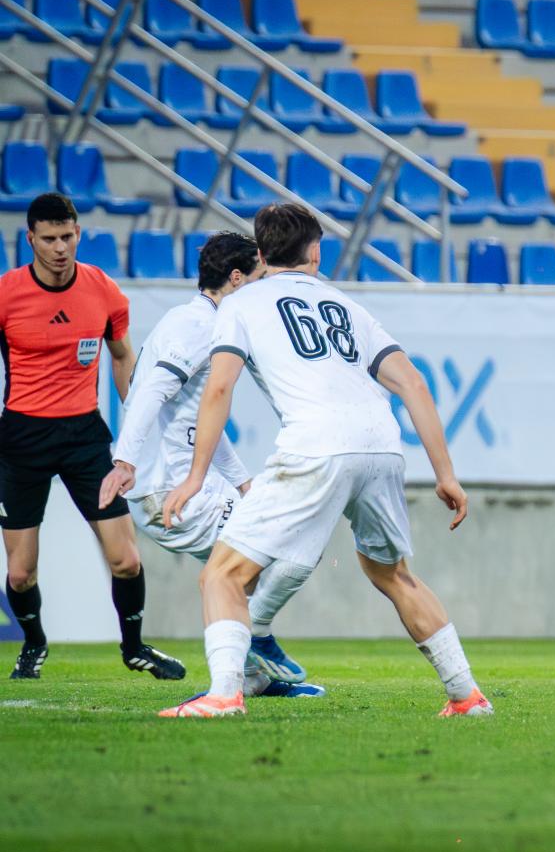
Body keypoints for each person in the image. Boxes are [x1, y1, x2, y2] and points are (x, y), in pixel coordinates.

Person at [158, 203, 490, 718]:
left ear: (261, 254)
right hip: (381, 444)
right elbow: (412, 384)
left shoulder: (240, 305)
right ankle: (466, 695)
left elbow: (219, 387)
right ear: (316, 252)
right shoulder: (346, 305)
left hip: (316, 443)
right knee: (393, 573)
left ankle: (224, 694)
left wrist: (195, 477)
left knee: (221, 575)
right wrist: (445, 475)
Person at [97, 231, 320, 698]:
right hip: (169, 488)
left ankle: (250, 676)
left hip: (184, 483)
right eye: (258, 279)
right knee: (278, 547)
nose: (262, 288)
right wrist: (125, 461)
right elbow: (149, 392)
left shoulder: (195, 320)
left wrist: (242, 485)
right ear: (236, 279)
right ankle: (255, 642)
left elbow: (202, 425)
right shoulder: (198, 327)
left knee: (247, 566)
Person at [0, 193, 184, 681]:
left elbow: (122, 356)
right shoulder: (6, 294)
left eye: (68, 236)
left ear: (78, 233)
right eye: (49, 239)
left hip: (84, 436)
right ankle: (34, 644)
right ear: (31, 239)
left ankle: (135, 648)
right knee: (20, 572)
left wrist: (135, 429)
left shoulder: (103, 290)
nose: (60, 247)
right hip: (21, 439)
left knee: (126, 560)